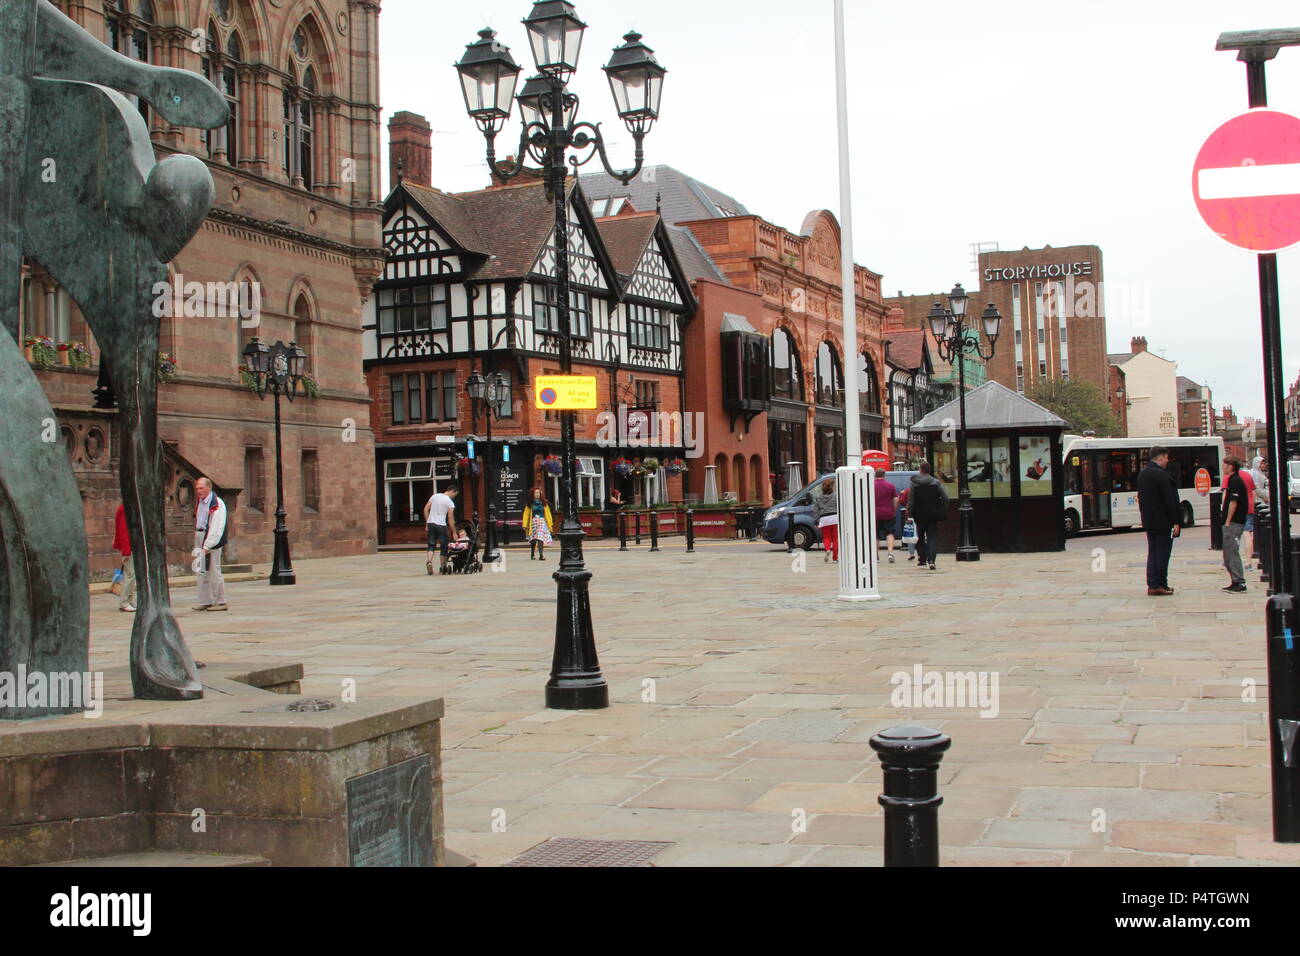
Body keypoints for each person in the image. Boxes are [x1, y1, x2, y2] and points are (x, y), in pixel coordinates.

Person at [1136, 445, 1181, 596]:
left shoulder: (1143, 475)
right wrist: (1175, 521)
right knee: (1162, 553)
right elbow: (1170, 500)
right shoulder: (1162, 475)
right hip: (1163, 521)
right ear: (1160, 457)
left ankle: (1153, 583)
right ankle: (1159, 584)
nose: (1168, 461)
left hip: (1149, 521)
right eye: (1166, 458)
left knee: (1153, 552)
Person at [193, 476, 228, 612]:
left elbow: (216, 526)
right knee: (201, 570)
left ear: (208, 488)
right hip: (200, 536)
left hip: (211, 539)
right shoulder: (200, 502)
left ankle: (220, 601)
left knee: (214, 570)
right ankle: (205, 600)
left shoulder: (216, 503)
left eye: (201, 488)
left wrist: (208, 545)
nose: (198, 491)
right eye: (197, 488)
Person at [908, 461, 949, 571]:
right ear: (929, 470)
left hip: (918, 514)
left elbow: (911, 501)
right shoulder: (936, 482)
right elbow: (945, 498)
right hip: (932, 514)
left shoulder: (914, 483)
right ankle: (931, 561)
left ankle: (922, 559)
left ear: (920, 469)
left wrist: (910, 514)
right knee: (931, 537)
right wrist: (942, 508)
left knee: (920, 537)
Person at [1222, 456, 1250, 593]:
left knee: (1232, 552)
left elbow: (1234, 502)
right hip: (1233, 522)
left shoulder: (1236, 482)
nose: (1223, 467)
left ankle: (1239, 582)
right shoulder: (1232, 480)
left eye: (1225, 465)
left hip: (1234, 522)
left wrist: (1227, 521)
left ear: (1231, 466)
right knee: (1228, 553)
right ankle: (1234, 580)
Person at [423, 484, 458, 575]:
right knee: (444, 546)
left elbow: (426, 509)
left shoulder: (434, 496)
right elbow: (450, 519)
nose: (453, 497)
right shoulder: (450, 502)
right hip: (441, 525)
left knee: (431, 545)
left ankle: (429, 561)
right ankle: (443, 567)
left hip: (431, 524)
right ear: (452, 491)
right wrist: (454, 532)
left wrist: (427, 522)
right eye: (454, 495)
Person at [112, 502, 136, 613]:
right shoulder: (125, 509)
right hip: (128, 547)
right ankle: (124, 602)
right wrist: (126, 551)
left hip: (130, 546)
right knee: (131, 574)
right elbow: (123, 531)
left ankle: (130, 600)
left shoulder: (126, 508)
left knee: (131, 574)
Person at [1244, 456, 1268, 571]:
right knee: (1251, 530)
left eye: (1264, 463)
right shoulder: (1255, 474)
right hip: (1258, 503)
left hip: (1258, 503)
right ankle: (1255, 554)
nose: (1264, 465)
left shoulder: (1259, 473)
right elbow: (1256, 489)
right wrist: (1266, 496)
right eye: (1262, 463)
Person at [874, 473, 899, 563]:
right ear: (884, 475)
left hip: (875, 514)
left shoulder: (870, 485)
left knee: (875, 535)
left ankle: (876, 555)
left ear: (875, 475)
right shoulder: (890, 485)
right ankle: (890, 553)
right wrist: (894, 509)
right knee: (890, 533)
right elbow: (896, 499)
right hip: (888, 513)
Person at [524, 487, 554, 560]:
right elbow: (526, 514)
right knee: (533, 539)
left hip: (542, 522)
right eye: (535, 493)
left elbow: (548, 513)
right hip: (533, 522)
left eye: (538, 493)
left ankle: (541, 555)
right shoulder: (529, 504)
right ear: (532, 494)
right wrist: (525, 524)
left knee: (540, 538)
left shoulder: (544, 503)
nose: (537, 494)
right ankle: (532, 553)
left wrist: (550, 523)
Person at [813, 477, 839, 562]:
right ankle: (835, 558)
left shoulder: (819, 498)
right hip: (835, 518)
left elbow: (816, 510)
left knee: (826, 537)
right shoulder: (835, 496)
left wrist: (816, 521)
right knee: (835, 538)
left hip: (824, 519)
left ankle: (827, 549)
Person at [897, 485, 917, 561]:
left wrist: (901, 494)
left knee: (910, 533)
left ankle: (912, 554)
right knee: (921, 534)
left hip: (910, 514)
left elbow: (902, 501)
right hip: (923, 514)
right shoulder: (924, 489)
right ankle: (922, 555)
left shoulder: (908, 490)